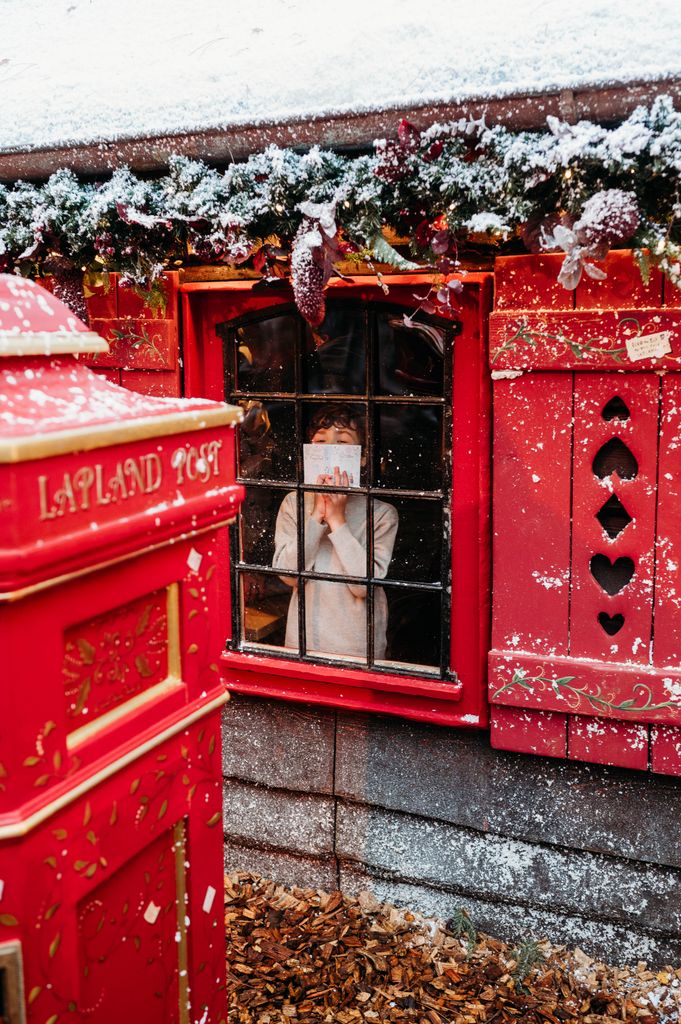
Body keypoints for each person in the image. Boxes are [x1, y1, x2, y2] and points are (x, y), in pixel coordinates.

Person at [273, 404, 398, 660]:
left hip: (357, 646)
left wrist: (337, 521)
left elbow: (363, 587)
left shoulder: (383, 514)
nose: (331, 450)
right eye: (321, 441)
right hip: (304, 641)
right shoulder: (293, 503)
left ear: (362, 456)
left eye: (342, 442)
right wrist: (317, 516)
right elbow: (288, 575)